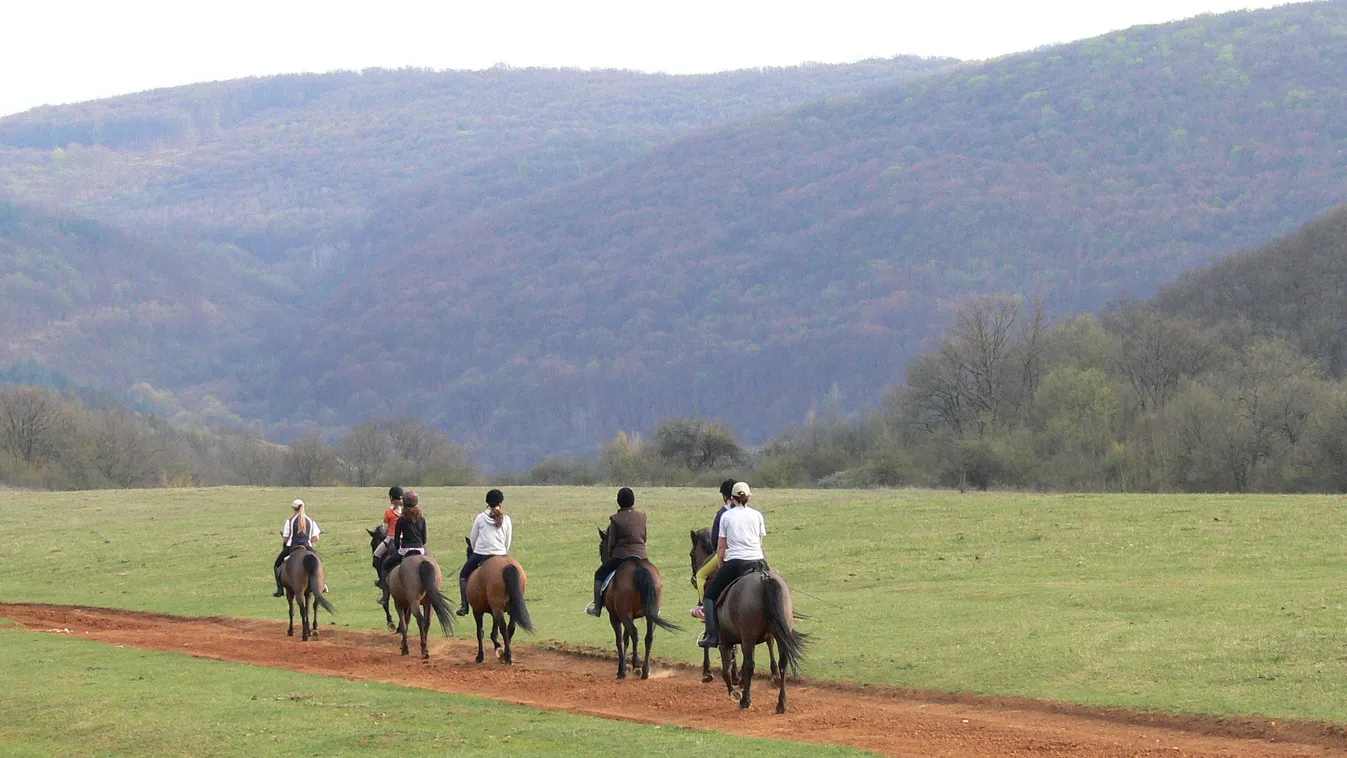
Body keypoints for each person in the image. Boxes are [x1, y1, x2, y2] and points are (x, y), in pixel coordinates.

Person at [698, 481, 767, 648]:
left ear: (732, 498)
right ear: (748, 497)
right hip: (758, 561)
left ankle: (712, 635)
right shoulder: (757, 515)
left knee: (709, 596)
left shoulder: (726, 516)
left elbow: (721, 546)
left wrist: (721, 564)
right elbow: (759, 541)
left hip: (736, 562)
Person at [586, 487, 647, 617]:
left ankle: (597, 608)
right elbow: (644, 537)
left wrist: (610, 554)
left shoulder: (615, 519)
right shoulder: (642, 516)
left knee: (599, 574)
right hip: (642, 555)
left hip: (621, 556)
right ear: (633, 501)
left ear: (619, 501)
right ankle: (655, 607)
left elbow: (611, 543)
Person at [457, 489, 513, 616]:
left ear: (487, 502)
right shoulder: (507, 519)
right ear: (501, 501)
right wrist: (503, 552)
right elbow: (508, 540)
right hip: (500, 554)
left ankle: (464, 605)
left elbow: (473, 538)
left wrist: (477, 549)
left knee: (463, 575)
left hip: (481, 554)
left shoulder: (481, 517)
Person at [690, 479, 735, 619]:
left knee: (700, 575)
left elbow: (716, 541)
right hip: (755, 554)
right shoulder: (752, 513)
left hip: (728, 552)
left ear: (725, 496)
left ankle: (705, 610)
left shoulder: (722, 514)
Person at [272, 499, 321, 597]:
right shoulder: (311, 521)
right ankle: (322, 585)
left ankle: (280, 589)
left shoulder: (289, 521)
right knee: (319, 564)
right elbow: (316, 538)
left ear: (294, 509)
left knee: (277, 564)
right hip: (307, 546)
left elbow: (286, 538)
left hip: (292, 546)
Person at [378, 490, 426, 590]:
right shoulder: (422, 519)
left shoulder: (401, 520)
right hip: (420, 550)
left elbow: (396, 540)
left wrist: (398, 548)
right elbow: (424, 539)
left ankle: (385, 589)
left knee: (386, 565)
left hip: (405, 550)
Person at [372, 485, 404, 586]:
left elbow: (385, 529)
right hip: (406, 539)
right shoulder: (406, 510)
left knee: (376, 555)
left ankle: (382, 581)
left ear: (391, 498)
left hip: (391, 538)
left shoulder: (388, 512)